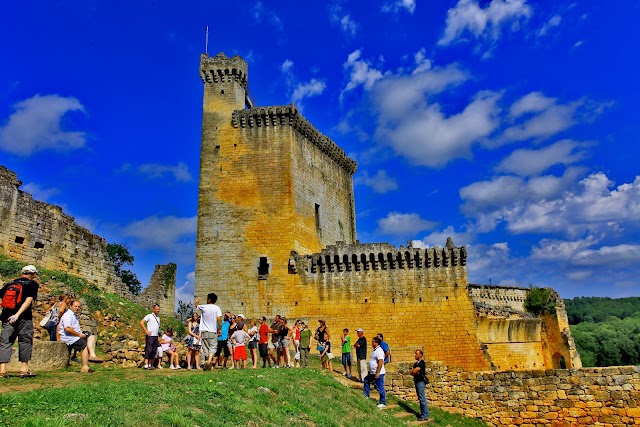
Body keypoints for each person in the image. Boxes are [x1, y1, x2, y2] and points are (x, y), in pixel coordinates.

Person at [0, 265, 39, 378]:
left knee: (5, 342)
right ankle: (24, 369)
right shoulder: (32, 284)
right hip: (24, 317)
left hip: (7, 316)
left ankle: (2, 370)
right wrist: (17, 314)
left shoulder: (10, 283)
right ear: (33, 274)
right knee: (25, 341)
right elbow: (28, 300)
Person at [58, 300, 93, 373]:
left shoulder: (73, 315)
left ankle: (92, 355)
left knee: (91, 337)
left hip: (73, 336)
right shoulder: (68, 315)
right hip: (69, 338)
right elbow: (67, 329)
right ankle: (84, 367)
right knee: (85, 345)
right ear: (70, 306)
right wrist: (79, 335)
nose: (77, 308)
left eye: (78, 307)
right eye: (75, 306)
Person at [195, 293, 222, 371]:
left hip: (204, 331)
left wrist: (197, 301)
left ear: (209, 299)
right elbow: (219, 319)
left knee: (206, 348)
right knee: (213, 347)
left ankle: (209, 364)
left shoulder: (204, 307)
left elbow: (196, 306)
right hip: (212, 331)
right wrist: (219, 328)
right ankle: (209, 361)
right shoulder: (217, 308)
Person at [364, 336, 386, 408]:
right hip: (372, 372)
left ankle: (383, 402)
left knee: (380, 387)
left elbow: (380, 362)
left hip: (378, 373)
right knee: (366, 380)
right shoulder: (375, 350)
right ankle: (366, 395)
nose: (372, 343)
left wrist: (377, 372)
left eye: (373, 342)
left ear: (376, 343)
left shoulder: (379, 351)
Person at [411, 349, 432, 422]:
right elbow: (412, 372)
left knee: (422, 398)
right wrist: (414, 372)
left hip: (420, 382)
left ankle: (425, 415)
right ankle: (423, 413)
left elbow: (414, 371)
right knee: (420, 398)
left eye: (416, 354)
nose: (415, 355)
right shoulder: (415, 363)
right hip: (417, 381)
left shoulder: (422, 363)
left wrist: (414, 371)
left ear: (420, 355)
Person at [139, 304, 161, 370]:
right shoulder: (149, 316)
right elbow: (141, 322)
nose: (158, 310)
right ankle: (146, 364)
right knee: (149, 349)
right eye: (157, 309)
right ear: (153, 309)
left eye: (159, 309)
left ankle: (150, 364)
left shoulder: (158, 318)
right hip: (150, 336)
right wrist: (146, 331)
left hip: (156, 336)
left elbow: (157, 327)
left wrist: (158, 335)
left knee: (154, 350)